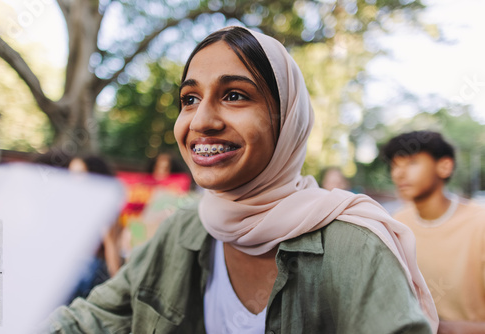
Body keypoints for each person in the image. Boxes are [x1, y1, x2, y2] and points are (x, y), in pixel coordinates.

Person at [43, 26, 438, 333]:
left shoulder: (355, 249)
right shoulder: (179, 230)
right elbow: (91, 319)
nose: (202, 121)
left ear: (287, 119)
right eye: (189, 99)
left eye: (234, 95)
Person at [382, 131, 485, 333]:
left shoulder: (479, 223)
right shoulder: (397, 223)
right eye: (394, 165)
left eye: (411, 162)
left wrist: (444, 329)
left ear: (444, 166)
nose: (398, 174)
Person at [66, 155, 124, 302]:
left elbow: (111, 247)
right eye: (71, 173)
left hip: (90, 276)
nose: (73, 178)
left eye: (79, 173)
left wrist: (118, 288)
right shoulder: (70, 204)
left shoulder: (104, 209)